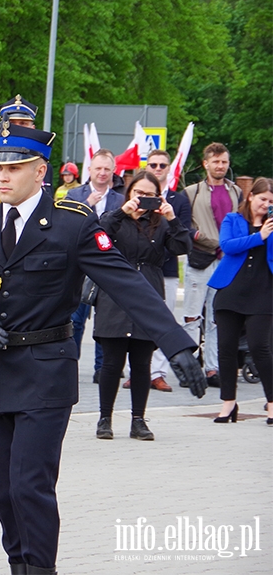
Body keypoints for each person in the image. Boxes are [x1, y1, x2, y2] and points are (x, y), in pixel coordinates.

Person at [0, 123, 206, 575]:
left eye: (14, 167)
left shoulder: (72, 223)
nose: (3, 176)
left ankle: (39, 569)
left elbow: (127, 284)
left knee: (30, 484)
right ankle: (19, 563)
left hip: (45, 371)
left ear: (39, 171)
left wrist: (176, 345)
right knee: (3, 490)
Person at [93, 172, 191, 441]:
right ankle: (105, 418)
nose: (143, 199)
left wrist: (172, 218)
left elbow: (183, 246)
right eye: (139, 193)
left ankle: (138, 419)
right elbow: (98, 237)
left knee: (141, 363)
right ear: (128, 192)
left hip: (148, 294)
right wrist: (123, 214)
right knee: (111, 363)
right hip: (115, 294)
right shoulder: (116, 217)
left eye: (150, 195)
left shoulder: (160, 224)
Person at [207, 177, 273, 425]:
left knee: (260, 348)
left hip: (263, 293)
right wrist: (260, 236)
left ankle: (271, 403)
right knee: (226, 349)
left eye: (270, 202)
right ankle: (228, 404)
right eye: (262, 199)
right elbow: (227, 246)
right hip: (230, 292)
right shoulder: (233, 220)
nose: (265, 205)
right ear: (250, 197)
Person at [126, 149, 193, 392]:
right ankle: (137, 372)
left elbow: (183, 240)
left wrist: (170, 217)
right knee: (131, 325)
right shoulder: (127, 206)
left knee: (162, 321)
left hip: (164, 270)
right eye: (153, 164)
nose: (158, 168)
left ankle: (158, 373)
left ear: (168, 168)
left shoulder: (177, 200)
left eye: (162, 165)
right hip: (134, 274)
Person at [181, 143, 242, 386]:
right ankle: (190, 366)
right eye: (216, 162)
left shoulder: (236, 191)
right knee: (192, 317)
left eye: (224, 162)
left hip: (226, 261)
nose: (220, 166)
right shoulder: (192, 192)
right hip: (200, 258)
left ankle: (212, 368)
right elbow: (185, 226)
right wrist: (205, 240)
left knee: (217, 316)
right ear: (206, 163)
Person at [66, 149, 123, 381]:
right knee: (76, 320)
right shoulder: (74, 195)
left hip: (107, 265)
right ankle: (71, 364)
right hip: (78, 267)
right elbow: (67, 226)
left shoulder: (120, 199)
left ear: (113, 172)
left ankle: (103, 369)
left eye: (106, 169)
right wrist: (87, 204)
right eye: (98, 168)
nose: (102, 173)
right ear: (89, 169)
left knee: (105, 320)